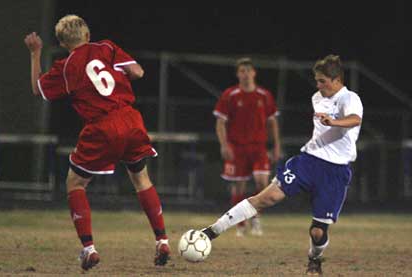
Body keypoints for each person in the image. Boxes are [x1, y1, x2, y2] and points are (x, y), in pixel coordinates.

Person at [24, 15, 170, 271]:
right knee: (141, 179)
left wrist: (35, 53)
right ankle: (162, 240)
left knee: (75, 183)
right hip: (130, 118)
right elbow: (137, 71)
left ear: (62, 42)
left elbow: (38, 90)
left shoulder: (66, 66)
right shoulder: (107, 47)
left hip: (101, 125)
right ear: (88, 35)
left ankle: (89, 249)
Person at [203, 55, 363, 275]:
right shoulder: (318, 97)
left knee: (318, 232)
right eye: (316, 80)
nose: (317, 86)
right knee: (265, 197)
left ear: (336, 80)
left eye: (322, 81)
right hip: (308, 161)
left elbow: (355, 119)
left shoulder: (350, 98)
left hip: (335, 171)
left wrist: (334, 121)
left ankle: (314, 259)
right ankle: (212, 231)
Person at [213, 57, 281, 237]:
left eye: (248, 71)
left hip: (259, 148)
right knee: (239, 186)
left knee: (262, 183)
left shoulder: (264, 95)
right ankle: (240, 224)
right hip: (237, 148)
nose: (245, 74)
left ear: (254, 73)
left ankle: (256, 219)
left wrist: (276, 146)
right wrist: (224, 144)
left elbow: (272, 122)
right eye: (241, 71)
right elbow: (220, 122)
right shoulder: (230, 95)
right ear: (237, 74)